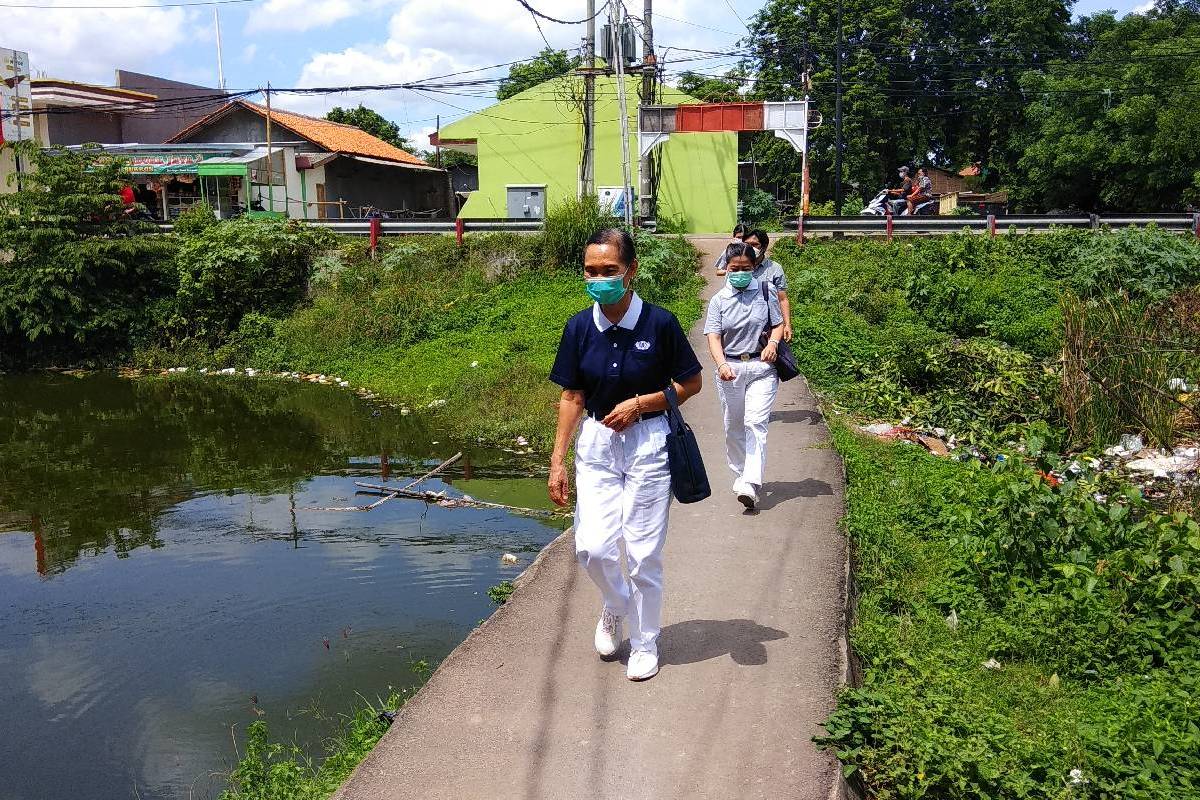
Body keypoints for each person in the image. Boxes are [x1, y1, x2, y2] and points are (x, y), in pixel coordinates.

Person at [548, 227, 704, 682]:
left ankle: (645, 641)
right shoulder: (579, 327)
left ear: (631, 271)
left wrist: (642, 403)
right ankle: (616, 605)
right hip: (596, 443)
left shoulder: (660, 323)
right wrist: (558, 460)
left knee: (642, 554)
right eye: (590, 271)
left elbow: (690, 383)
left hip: (649, 445)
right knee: (592, 548)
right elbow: (572, 395)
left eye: (609, 271)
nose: (599, 279)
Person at [704, 241, 784, 510]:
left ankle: (751, 482)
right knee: (733, 425)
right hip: (731, 370)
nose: (739, 272)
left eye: (745, 268)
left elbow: (777, 324)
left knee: (755, 422)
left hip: (762, 369)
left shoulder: (765, 290)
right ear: (726, 268)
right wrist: (721, 364)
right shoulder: (718, 301)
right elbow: (714, 337)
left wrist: (773, 344)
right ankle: (740, 473)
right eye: (734, 268)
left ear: (754, 268)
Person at [742, 230, 792, 342]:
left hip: (768, 327)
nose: (750, 248)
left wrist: (787, 324)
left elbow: (782, 299)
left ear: (764, 247)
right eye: (747, 244)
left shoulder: (774, 268)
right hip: (742, 324)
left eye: (755, 245)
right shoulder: (737, 269)